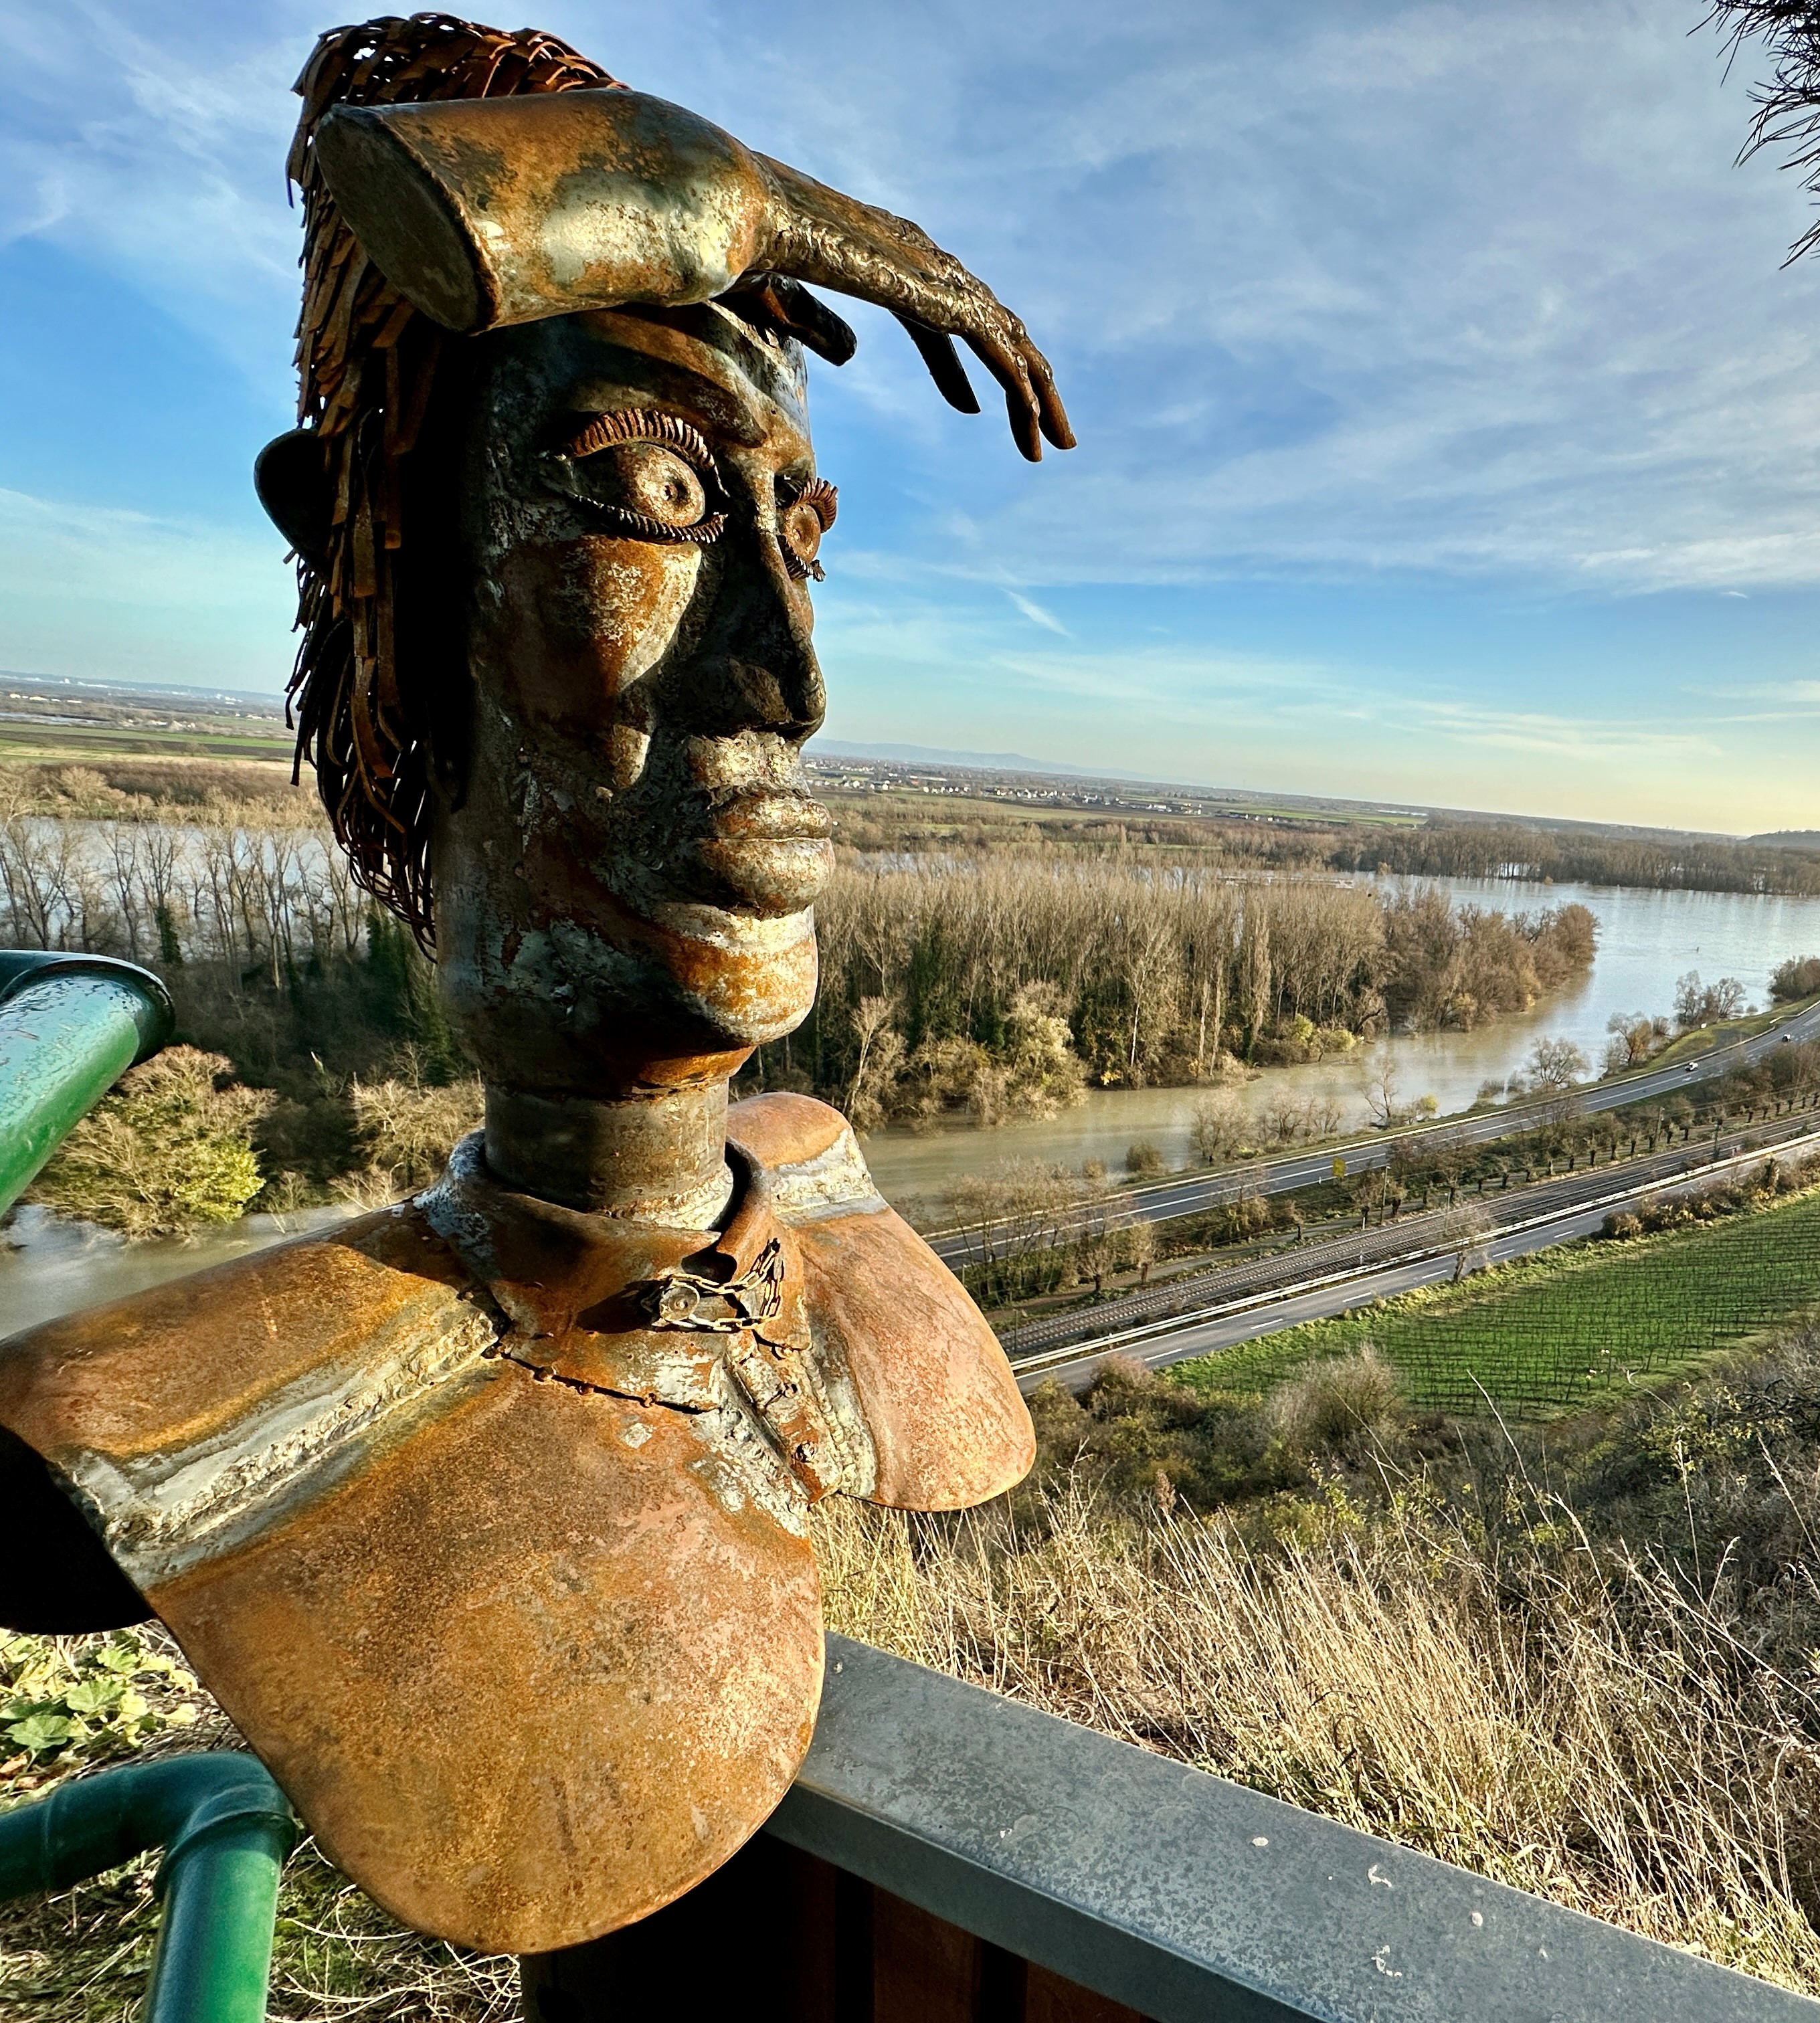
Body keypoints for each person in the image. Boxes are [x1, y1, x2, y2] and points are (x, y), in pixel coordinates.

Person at [0, 15, 1071, 1957]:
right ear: (371, 554)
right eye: (642, 498)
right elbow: (387, 169)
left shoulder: (831, 1215)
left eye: (798, 529)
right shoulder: (141, 1427)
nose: (786, 679)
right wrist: (765, 204)